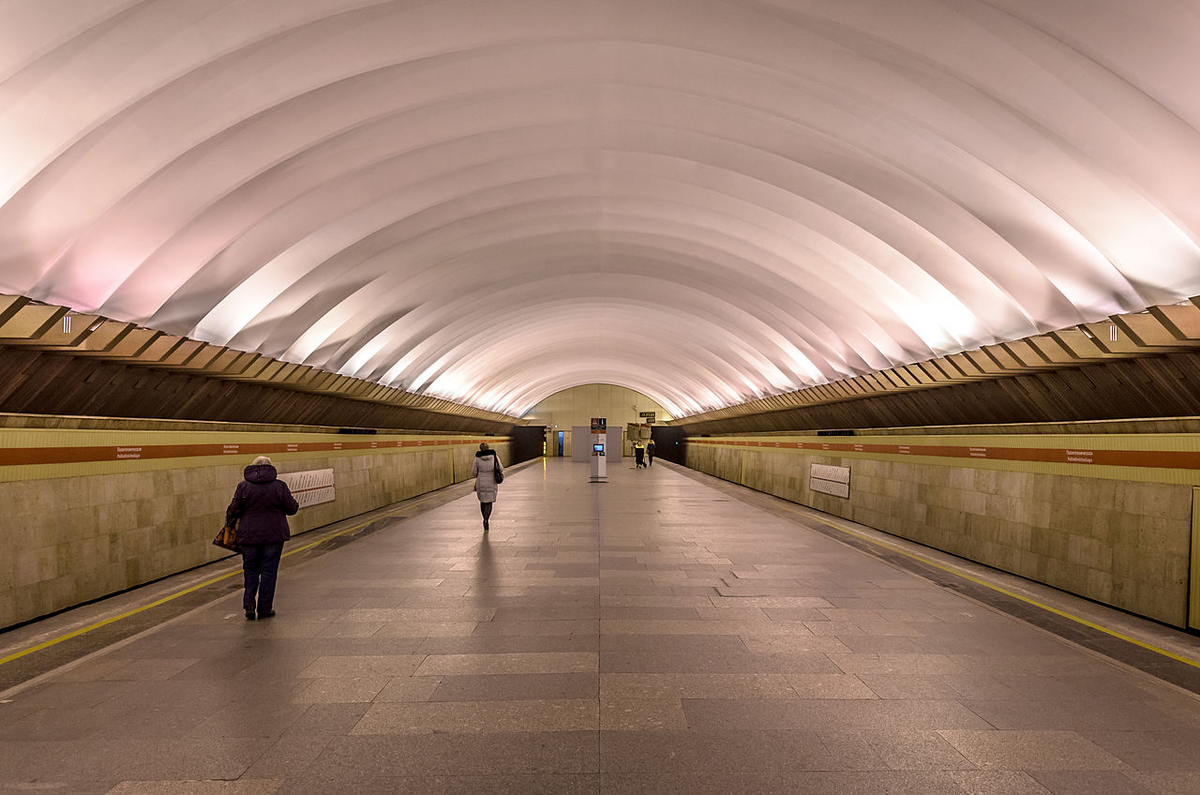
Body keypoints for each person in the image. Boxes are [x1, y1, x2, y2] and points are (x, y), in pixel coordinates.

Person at [225, 455, 298, 620]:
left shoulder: (243, 487)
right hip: (274, 535)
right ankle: (265, 608)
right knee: (269, 572)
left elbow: (233, 510)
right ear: (270, 467)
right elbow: (291, 508)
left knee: (250, 569)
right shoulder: (279, 486)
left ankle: (249, 605)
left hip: (248, 536)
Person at [471, 442, 504, 532]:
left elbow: (473, 472)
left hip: (481, 482)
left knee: (483, 501)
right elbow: (501, 468)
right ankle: (487, 518)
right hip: (491, 481)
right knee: (489, 502)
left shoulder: (477, 458)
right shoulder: (494, 457)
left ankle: (484, 518)